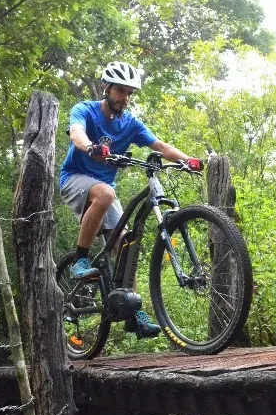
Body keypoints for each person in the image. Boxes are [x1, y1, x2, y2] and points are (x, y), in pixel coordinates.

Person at [59, 60, 202, 338]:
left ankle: (134, 313)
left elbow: (159, 145)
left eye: (129, 93)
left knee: (126, 246)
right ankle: (80, 260)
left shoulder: (130, 124)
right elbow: (77, 134)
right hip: (75, 178)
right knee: (106, 192)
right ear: (107, 88)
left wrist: (188, 160)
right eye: (120, 91)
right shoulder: (85, 109)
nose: (124, 97)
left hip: (104, 188)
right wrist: (90, 147)